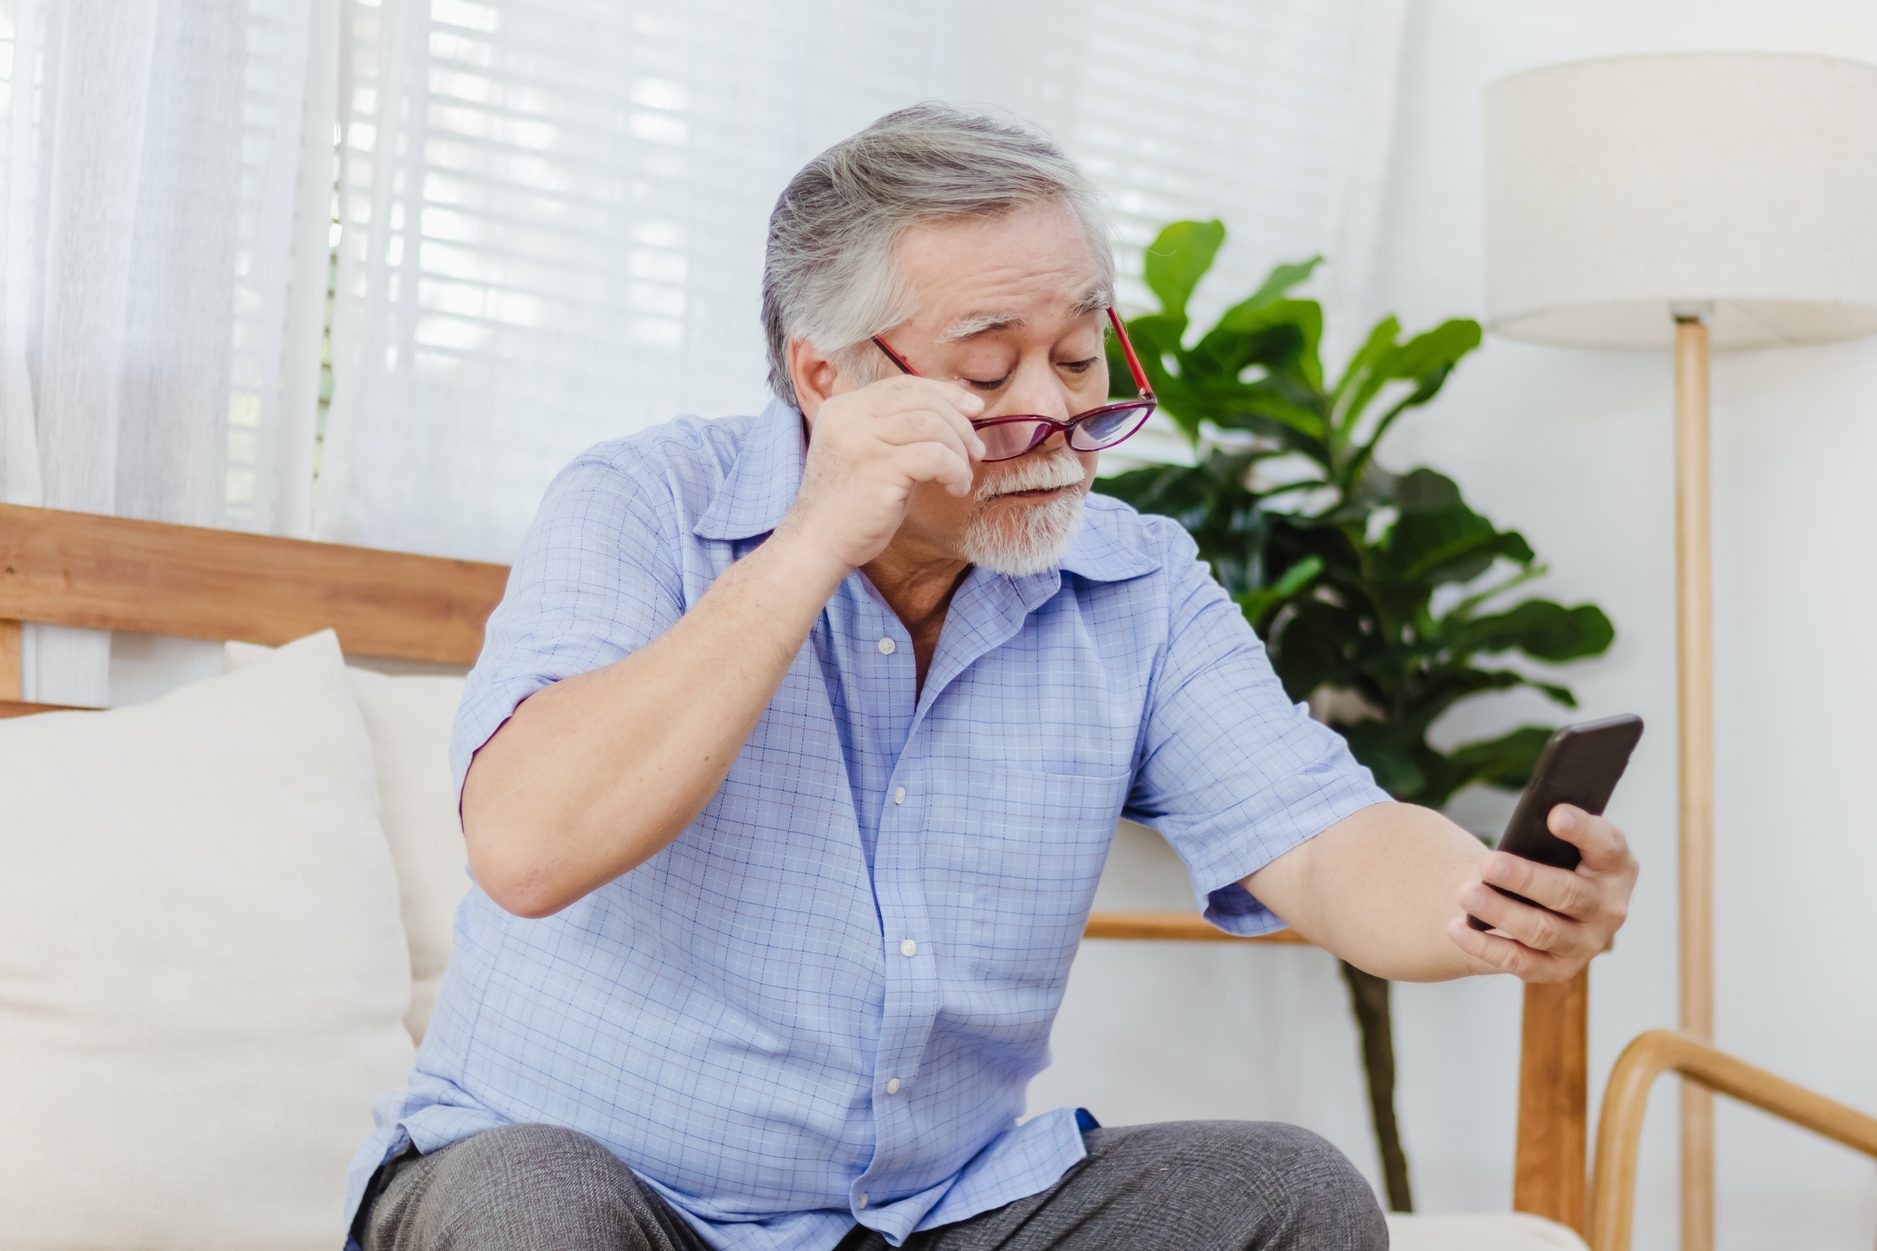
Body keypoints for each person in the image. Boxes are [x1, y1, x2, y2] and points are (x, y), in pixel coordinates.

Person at [342, 102, 1638, 1251]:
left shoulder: (1132, 584)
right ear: (822, 373)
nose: (1060, 419)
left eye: (1078, 359)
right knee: (526, 1209)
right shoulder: (641, 504)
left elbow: (1324, 839)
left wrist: (1483, 902)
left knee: (1288, 1194)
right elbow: (526, 847)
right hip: (611, 1197)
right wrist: (814, 539)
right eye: (983, 370)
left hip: (928, 1217)